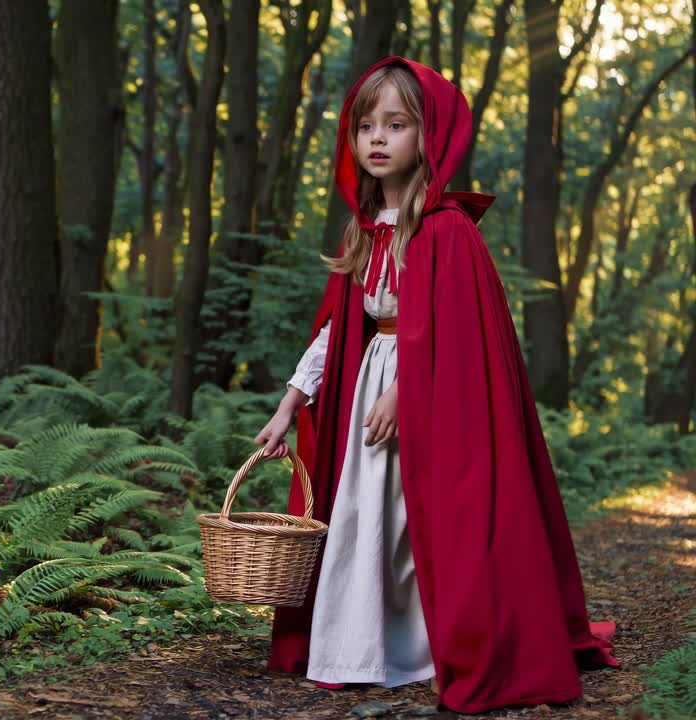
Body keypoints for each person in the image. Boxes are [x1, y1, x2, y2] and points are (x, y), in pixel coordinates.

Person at [252, 56, 618, 714]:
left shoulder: (448, 232)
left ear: (429, 136)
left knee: (415, 523)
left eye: (396, 124)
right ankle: (358, 645)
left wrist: (410, 389)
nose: (378, 138)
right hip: (369, 391)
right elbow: (339, 332)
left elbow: (457, 340)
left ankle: (423, 645)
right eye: (366, 125)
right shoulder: (366, 233)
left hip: (428, 404)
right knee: (363, 516)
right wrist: (290, 403)